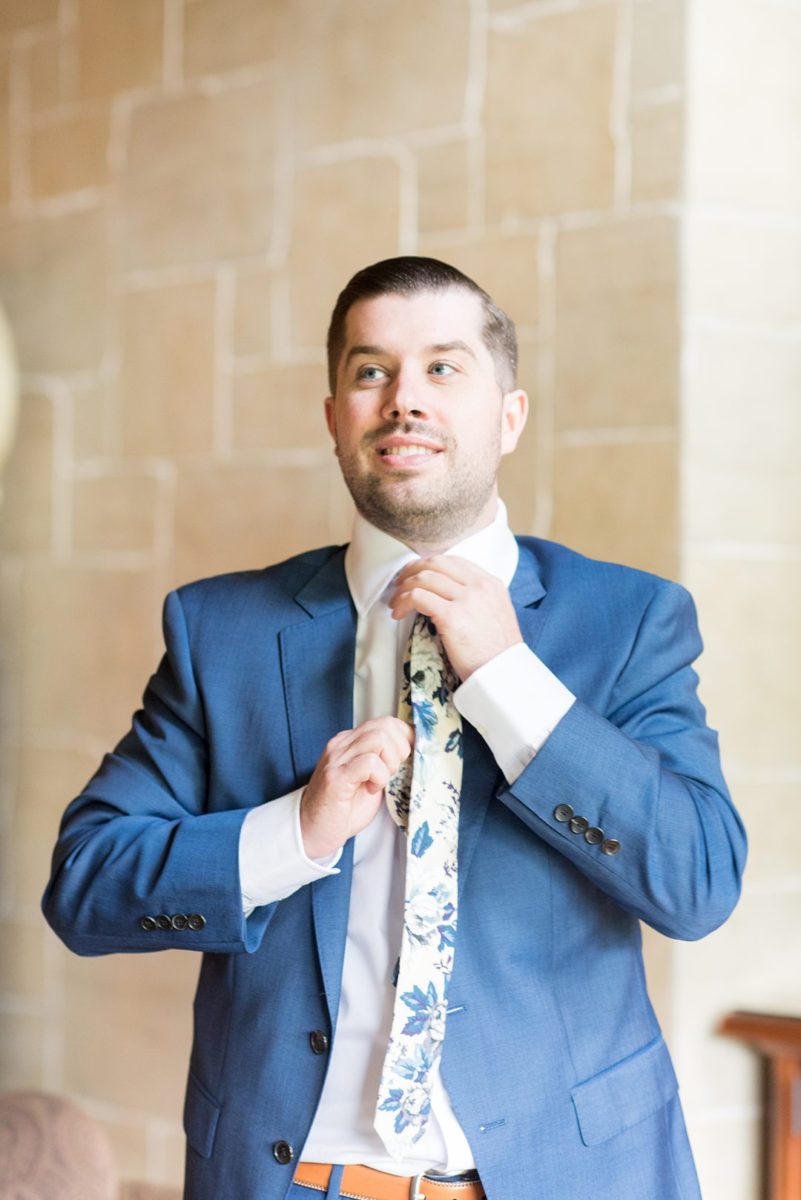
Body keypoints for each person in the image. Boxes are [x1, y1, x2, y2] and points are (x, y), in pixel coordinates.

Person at [43, 257, 746, 1200]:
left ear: (509, 415)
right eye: (371, 371)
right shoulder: (222, 633)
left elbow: (697, 884)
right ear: (334, 416)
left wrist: (509, 682)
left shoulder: (628, 621)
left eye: (443, 368)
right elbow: (85, 887)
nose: (402, 399)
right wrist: (292, 833)